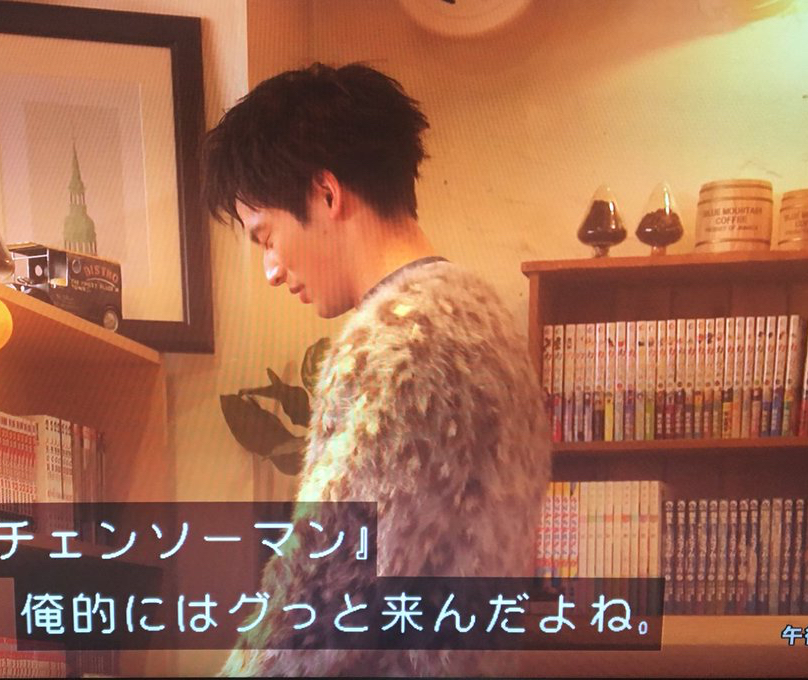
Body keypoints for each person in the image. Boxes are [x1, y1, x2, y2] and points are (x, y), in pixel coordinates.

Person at [202, 62, 551, 677]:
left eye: (266, 236)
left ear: (326, 193)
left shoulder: (394, 342)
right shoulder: (489, 321)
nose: (272, 270)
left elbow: (318, 599)